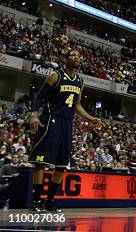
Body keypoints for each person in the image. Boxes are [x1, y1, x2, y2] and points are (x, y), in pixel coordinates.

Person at [28, 50, 102, 212]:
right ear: (66, 58)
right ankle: (35, 201)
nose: (77, 58)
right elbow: (39, 96)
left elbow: (77, 105)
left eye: (78, 56)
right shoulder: (56, 75)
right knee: (41, 162)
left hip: (67, 123)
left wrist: (90, 118)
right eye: (73, 55)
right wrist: (33, 115)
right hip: (51, 119)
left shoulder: (80, 81)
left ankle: (49, 201)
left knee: (61, 165)